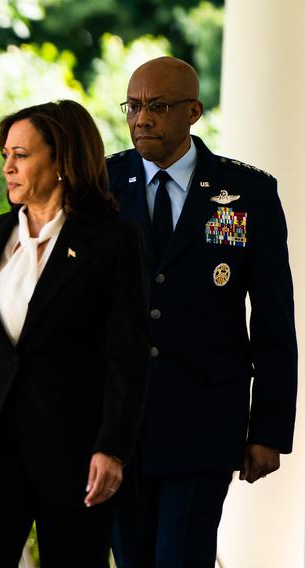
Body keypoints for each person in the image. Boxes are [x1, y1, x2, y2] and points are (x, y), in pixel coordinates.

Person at [0, 100, 149, 567]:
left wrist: (112, 447)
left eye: (22, 155)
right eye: (6, 155)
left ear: (62, 161)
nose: (8, 168)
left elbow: (126, 357)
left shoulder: (114, 241)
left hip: (74, 455)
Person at [108, 56, 297, 567]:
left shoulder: (248, 192)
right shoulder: (101, 185)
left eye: (158, 106)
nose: (141, 119)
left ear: (193, 111)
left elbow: (274, 315)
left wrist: (269, 429)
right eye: (134, 106)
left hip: (204, 420)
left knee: (183, 556)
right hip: (118, 425)